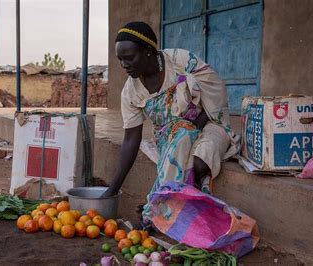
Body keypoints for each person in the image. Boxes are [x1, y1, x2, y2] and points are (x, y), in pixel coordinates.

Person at [102, 21, 238, 226]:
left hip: (209, 122)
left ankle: (160, 205)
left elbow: (215, 89)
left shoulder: (180, 61)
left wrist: (191, 127)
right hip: (171, 137)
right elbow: (131, 139)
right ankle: (163, 207)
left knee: (201, 162)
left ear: (148, 51)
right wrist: (111, 190)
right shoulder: (131, 93)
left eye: (129, 58)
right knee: (181, 138)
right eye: (120, 59)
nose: (124, 65)